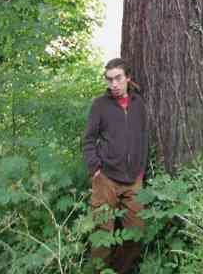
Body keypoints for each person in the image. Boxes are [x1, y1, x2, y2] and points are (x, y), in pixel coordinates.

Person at [83, 58, 148, 274]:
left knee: (136, 233)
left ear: (127, 77)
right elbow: (88, 139)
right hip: (106, 179)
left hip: (133, 180)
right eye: (109, 80)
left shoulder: (139, 103)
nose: (114, 84)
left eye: (118, 78)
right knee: (102, 236)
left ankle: (118, 270)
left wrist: (141, 169)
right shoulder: (100, 105)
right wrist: (95, 169)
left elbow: (143, 136)